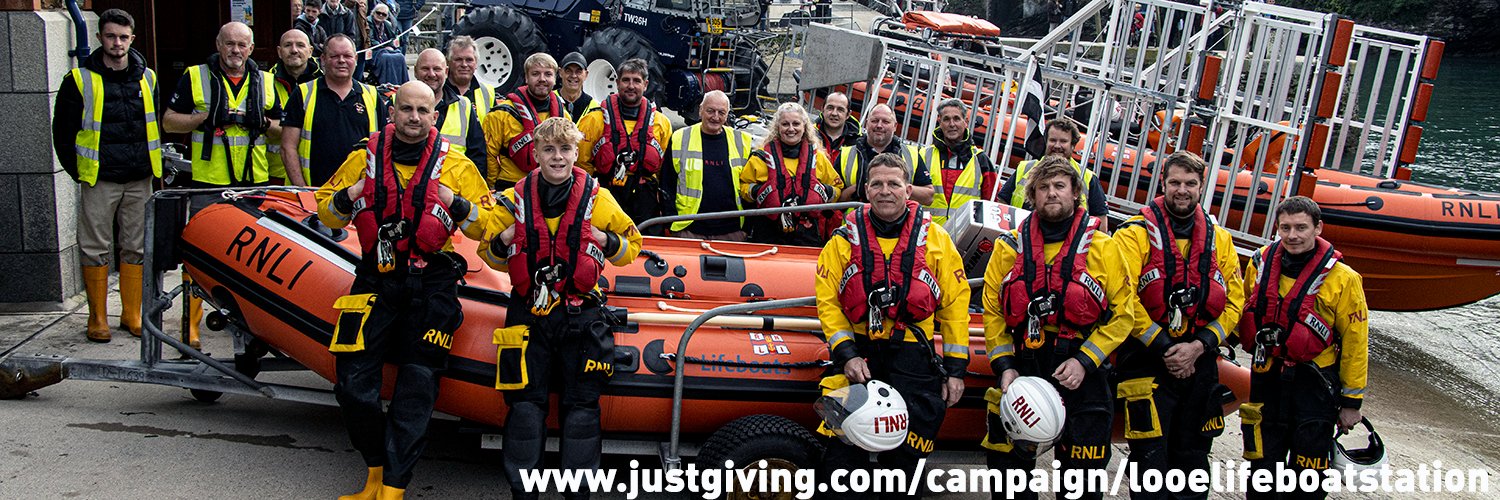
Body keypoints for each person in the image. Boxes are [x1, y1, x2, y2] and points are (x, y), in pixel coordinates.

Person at [316, 81, 495, 500]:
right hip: (376, 277)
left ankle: (393, 488)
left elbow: (486, 226)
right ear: (392, 113)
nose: (414, 118)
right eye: (406, 109)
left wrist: (458, 204)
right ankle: (375, 470)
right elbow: (325, 207)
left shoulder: (458, 167)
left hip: (432, 284)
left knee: (416, 388)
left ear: (436, 116)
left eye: (423, 111)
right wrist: (353, 193)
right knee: (352, 383)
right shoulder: (363, 159)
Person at [478, 117, 643, 500]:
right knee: (524, 407)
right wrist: (506, 239)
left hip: (579, 316)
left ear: (575, 154)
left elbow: (631, 246)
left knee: (582, 410)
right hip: (528, 315)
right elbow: (488, 253)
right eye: (549, 150)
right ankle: (524, 493)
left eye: (565, 149)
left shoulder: (598, 199)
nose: (557, 157)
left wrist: (600, 237)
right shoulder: (514, 199)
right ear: (535, 154)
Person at [980, 154, 1138, 500]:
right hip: (1024, 365)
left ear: (1075, 194)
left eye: (1059, 186)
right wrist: (1004, 366)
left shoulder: (1104, 248)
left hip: (1082, 371)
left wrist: (1085, 361)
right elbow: (992, 310)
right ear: (1032, 196)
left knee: (1083, 481)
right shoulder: (1009, 247)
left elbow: (1124, 314)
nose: (1051, 193)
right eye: (1043, 187)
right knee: (1009, 478)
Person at [813, 152, 970, 499]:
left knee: (906, 465)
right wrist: (847, 354)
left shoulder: (937, 241)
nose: (886, 191)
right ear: (866, 190)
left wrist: (956, 370)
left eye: (894, 183)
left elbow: (956, 305)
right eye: (878, 184)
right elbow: (828, 302)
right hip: (859, 356)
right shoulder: (842, 240)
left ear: (908, 190)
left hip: (913, 359)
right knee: (839, 459)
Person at [1112, 151, 1245, 500]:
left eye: (1190, 183)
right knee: (1149, 463)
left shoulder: (1221, 240)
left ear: (1202, 187)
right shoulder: (1133, 235)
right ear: (1163, 184)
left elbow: (1235, 302)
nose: (1181, 190)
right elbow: (1123, 298)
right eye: (1175, 183)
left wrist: (1197, 347)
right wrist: (1166, 348)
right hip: (1146, 361)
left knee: (1194, 458)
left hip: (1200, 363)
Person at [1237, 196, 1367, 500]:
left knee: (1308, 477)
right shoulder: (1259, 265)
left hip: (1314, 385)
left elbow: (1356, 343)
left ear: (1318, 228)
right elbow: (1244, 307)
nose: (1293, 235)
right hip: (1266, 376)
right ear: (1277, 228)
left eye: (1301, 228)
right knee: (1261, 470)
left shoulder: (1344, 279)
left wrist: (1352, 402)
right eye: (1285, 227)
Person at [162, 22, 282, 349]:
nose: (236, 51)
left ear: (252, 48)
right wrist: (203, 118)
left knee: (253, 260)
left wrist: (264, 122)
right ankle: (191, 328)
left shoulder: (267, 82)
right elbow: (169, 121)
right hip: (208, 184)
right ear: (219, 43)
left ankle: (253, 326)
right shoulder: (195, 76)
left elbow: (283, 131)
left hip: (253, 185)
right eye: (230, 44)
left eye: (242, 45)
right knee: (198, 257)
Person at [51, 9, 161, 343]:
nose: (117, 43)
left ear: (132, 39)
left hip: (140, 176)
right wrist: (80, 172)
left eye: (123, 37)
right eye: (111, 36)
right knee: (95, 247)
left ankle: (131, 313)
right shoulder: (80, 79)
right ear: (100, 38)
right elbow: (63, 132)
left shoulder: (148, 77)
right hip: (100, 179)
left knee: (136, 247)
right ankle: (97, 317)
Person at [281, 34, 386, 187]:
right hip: (313, 193)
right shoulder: (303, 94)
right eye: (334, 56)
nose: (341, 61)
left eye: (347, 56)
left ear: (356, 59)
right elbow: (287, 147)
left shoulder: (372, 96)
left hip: (359, 195)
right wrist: (302, 189)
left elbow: (384, 146)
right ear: (323, 59)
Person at [578, 58, 673, 226]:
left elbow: (664, 168)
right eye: (626, 80)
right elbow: (581, 163)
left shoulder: (661, 123)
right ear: (617, 82)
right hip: (606, 193)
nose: (631, 86)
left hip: (645, 198)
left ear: (645, 84)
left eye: (636, 81)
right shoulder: (594, 119)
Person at [738, 102, 844, 246]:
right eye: (785, 124)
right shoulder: (761, 157)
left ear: (804, 127)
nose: (791, 129)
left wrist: (823, 191)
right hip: (768, 230)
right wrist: (757, 191)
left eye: (796, 124)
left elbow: (837, 187)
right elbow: (743, 186)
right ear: (778, 127)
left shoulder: (818, 158)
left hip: (807, 230)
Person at [659, 91, 754, 241]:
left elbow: (748, 187)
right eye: (710, 111)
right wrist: (670, 223)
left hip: (731, 231)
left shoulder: (742, 141)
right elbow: (667, 184)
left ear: (727, 114)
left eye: (721, 112)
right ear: (701, 110)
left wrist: (746, 228)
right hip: (688, 229)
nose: (715, 117)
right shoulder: (680, 138)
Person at [997, 118, 1110, 226]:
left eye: (1063, 141)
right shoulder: (1025, 168)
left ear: (1073, 145)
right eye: (1053, 140)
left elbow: (1101, 221)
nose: (1057, 146)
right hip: (1021, 235)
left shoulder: (1088, 177)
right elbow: (1002, 202)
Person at [481, 53, 567, 191]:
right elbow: (488, 155)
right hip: (510, 186)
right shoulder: (501, 114)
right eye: (535, 74)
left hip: (550, 187)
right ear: (526, 78)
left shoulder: (564, 116)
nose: (542, 79)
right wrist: (491, 185)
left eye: (548, 74)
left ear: (555, 79)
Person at [920, 98, 999, 226]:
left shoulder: (980, 160)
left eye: (956, 119)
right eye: (946, 119)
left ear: (965, 122)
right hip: (928, 234)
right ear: (940, 122)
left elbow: (992, 205)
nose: (952, 124)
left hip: (962, 238)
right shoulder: (923, 155)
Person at [837, 104, 933, 205]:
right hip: (855, 219)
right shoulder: (845, 154)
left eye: (885, 121)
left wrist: (899, 187)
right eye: (874, 121)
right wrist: (857, 188)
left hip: (899, 220)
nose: (879, 125)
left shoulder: (911, 154)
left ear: (895, 126)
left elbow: (928, 197)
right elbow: (833, 199)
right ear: (866, 123)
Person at [412, 48, 486, 175]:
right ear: (415, 71)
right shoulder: (398, 102)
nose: (431, 74)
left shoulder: (464, 106)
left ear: (446, 72)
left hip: (454, 187)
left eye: (437, 69)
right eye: (425, 69)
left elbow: (477, 156)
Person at [268, 29, 323, 185]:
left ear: (310, 50)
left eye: (300, 45)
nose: (294, 50)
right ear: (279, 51)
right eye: (288, 45)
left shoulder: (325, 82)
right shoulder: (265, 83)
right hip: (276, 174)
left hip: (315, 172)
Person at [445, 36, 495, 118]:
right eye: (458, 59)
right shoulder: (439, 92)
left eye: (469, 60)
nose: (464, 65)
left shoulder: (487, 93)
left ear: (476, 63)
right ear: (448, 63)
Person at [365, 3, 408, 86]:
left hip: (385, 49)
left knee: (400, 56)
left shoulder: (387, 24)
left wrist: (391, 46)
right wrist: (384, 47)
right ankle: (388, 83)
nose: (380, 15)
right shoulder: (368, 22)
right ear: (373, 12)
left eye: (384, 14)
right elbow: (370, 40)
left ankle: (402, 84)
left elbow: (393, 38)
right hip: (374, 50)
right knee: (386, 58)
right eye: (378, 13)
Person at [815, 91, 860, 168]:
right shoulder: (809, 136)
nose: (834, 113)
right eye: (830, 108)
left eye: (840, 110)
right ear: (822, 109)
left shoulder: (858, 142)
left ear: (848, 114)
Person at [318, 0, 360, 81]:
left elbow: (351, 35)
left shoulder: (347, 14)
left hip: (343, 51)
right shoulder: (319, 13)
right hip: (323, 52)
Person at [557, 52, 599, 123]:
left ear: (586, 74)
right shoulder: (550, 100)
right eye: (568, 71)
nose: (573, 76)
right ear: (560, 72)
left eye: (578, 72)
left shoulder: (594, 108)